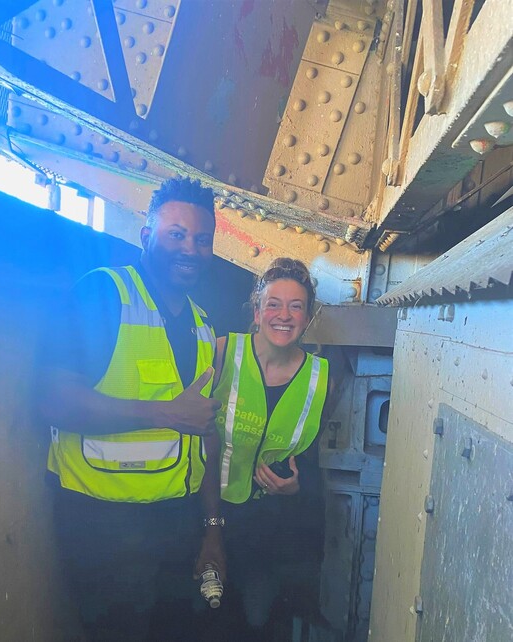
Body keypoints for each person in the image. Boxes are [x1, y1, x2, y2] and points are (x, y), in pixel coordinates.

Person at [40, 177, 225, 641]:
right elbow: (53, 401)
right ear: (146, 236)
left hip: (176, 524)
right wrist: (164, 413)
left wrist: (211, 531)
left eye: (202, 240)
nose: (191, 248)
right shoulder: (103, 294)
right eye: (176, 234)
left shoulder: (203, 325)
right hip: (104, 526)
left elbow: (203, 437)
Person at [211, 257, 330, 640]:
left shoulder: (322, 377)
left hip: (269, 531)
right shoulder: (222, 352)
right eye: (274, 304)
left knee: (256, 623)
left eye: (296, 306)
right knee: (200, 615)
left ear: (308, 316)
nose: (284, 315)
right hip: (206, 513)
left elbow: (321, 464)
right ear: (257, 310)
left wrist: (298, 487)